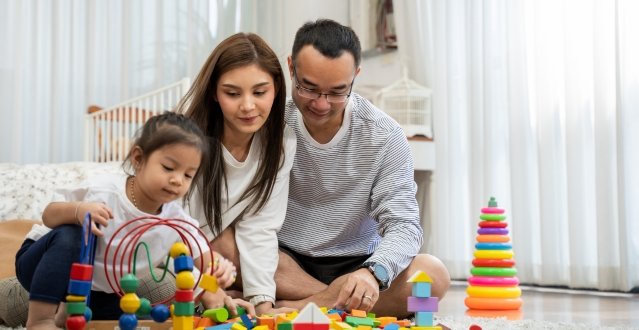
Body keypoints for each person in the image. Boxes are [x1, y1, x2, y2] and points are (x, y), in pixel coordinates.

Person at [273, 19, 450, 317]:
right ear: (291, 67)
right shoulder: (271, 121)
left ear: (355, 76)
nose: (321, 104)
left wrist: (372, 274)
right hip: (284, 261)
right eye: (308, 88)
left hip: (358, 266)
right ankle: (336, 304)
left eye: (337, 91)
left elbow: (404, 226)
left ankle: (302, 307)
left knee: (433, 274)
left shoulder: (384, 134)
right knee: (231, 247)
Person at [15, 112, 248, 330]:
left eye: (188, 175)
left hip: (98, 290)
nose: (178, 180)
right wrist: (79, 212)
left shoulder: (177, 221)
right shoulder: (105, 192)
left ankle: (66, 311)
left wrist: (219, 272)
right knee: (72, 234)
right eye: (168, 167)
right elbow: (49, 214)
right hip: (41, 264)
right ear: (138, 159)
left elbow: (205, 260)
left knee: (139, 319)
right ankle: (40, 319)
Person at [180, 32, 297, 316]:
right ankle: (329, 296)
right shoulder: (186, 139)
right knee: (223, 241)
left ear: (277, 88)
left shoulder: (282, 143)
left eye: (259, 92)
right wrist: (208, 288)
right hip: (174, 257)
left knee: (272, 259)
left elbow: (260, 227)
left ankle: (330, 296)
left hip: (220, 262)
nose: (247, 106)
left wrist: (263, 306)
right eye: (232, 93)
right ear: (214, 93)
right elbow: (174, 231)